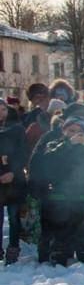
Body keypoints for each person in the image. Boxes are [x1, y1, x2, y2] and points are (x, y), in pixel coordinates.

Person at [28, 117, 84, 265]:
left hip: (81, 195)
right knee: (60, 230)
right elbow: (48, 160)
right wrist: (68, 144)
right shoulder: (54, 144)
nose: (75, 134)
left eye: (79, 131)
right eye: (71, 130)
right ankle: (58, 258)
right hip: (59, 196)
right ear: (64, 131)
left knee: (81, 229)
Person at [0, 101, 27, 265]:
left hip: (14, 180)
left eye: (3, 109)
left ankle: (13, 248)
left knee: (13, 217)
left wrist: (13, 172)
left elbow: (23, 153)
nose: (1, 113)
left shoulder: (17, 129)